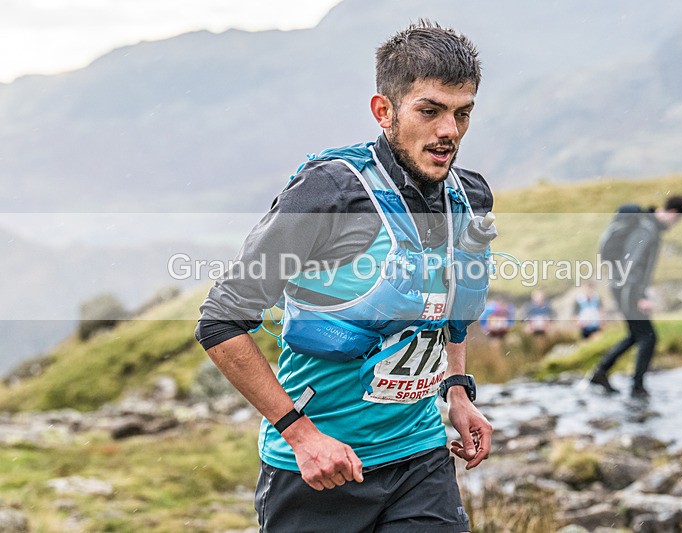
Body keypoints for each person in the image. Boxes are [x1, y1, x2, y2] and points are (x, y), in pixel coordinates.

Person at [195, 21, 493, 532]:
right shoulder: (329, 194)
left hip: (420, 457)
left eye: (462, 113)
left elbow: (448, 309)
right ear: (384, 111)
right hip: (318, 473)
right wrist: (301, 436)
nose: (449, 131)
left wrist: (458, 391)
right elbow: (220, 322)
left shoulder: (470, 197)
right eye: (430, 111)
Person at [588, 195, 682, 398]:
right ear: (673, 213)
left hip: (622, 285)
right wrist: (639, 295)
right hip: (627, 288)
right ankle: (637, 386)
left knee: (636, 334)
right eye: (677, 220)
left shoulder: (647, 226)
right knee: (648, 337)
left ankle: (601, 372)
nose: (675, 224)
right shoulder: (646, 228)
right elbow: (632, 262)